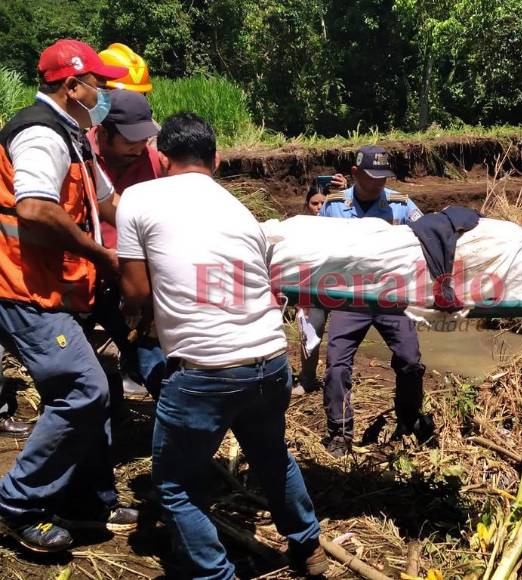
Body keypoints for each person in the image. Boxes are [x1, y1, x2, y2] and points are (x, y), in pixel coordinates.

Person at [117, 112, 327, 578]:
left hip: (205, 371)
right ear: (215, 159)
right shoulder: (240, 212)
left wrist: (148, 315)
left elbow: (133, 292)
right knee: (272, 456)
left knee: (173, 485)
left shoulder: (137, 197)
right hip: (270, 361)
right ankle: (309, 549)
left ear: (160, 156)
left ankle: (215, 574)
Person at [0, 39, 138, 552]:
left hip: (57, 289)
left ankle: (87, 500)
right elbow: (35, 209)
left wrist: (164, 225)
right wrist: (102, 256)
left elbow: (107, 201)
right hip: (25, 289)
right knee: (84, 390)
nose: (102, 94)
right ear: (71, 85)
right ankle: (19, 503)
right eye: (97, 85)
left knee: (94, 384)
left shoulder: (74, 134)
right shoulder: (40, 134)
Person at [318, 145, 432, 457]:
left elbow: (425, 242)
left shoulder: (401, 205)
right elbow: (316, 251)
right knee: (336, 366)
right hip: (349, 296)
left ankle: (408, 419)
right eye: (371, 178)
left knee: (410, 361)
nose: (378, 184)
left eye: (383, 178)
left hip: (391, 296)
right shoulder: (333, 207)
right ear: (355, 174)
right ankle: (340, 431)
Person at [87, 89, 166, 399]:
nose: (139, 148)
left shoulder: (152, 159)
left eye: (143, 139)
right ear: (103, 134)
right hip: (88, 272)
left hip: (134, 276)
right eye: (130, 141)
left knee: (145, 349)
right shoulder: (79, 155)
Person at [293, 174, 347, 396]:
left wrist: (343, 193)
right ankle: (307, 379)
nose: (319, 207)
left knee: (341, 339)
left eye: (324, 203)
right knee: (310, 332)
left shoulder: (343, 223)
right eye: (314, 203)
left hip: (342, 287)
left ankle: (339, 382)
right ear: (307, 205)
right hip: (313, 287)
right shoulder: (301, 227)